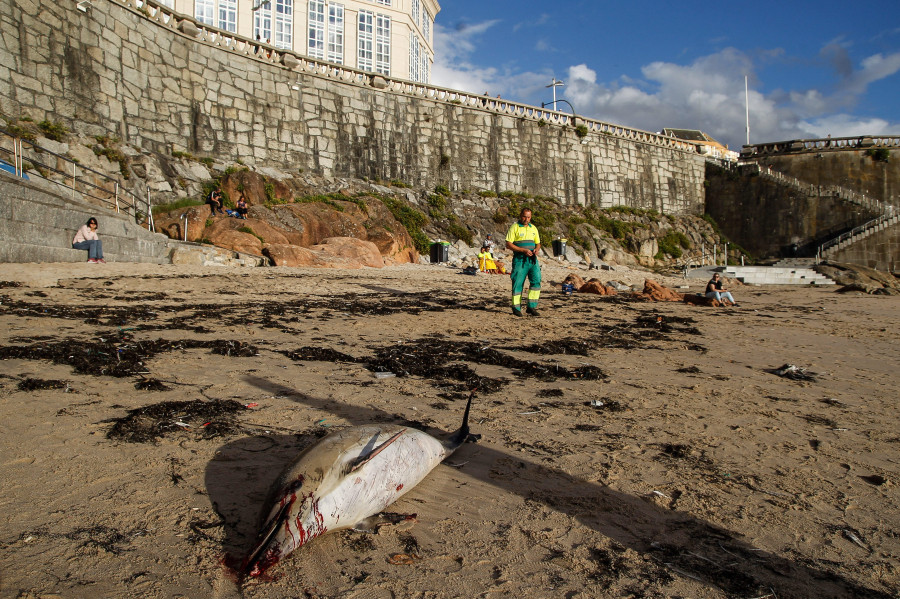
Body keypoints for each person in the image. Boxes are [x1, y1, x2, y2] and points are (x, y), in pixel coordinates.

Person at [505, 208, 541, 316]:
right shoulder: (515, 227)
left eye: (529, 217)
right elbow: (508, 244)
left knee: (536, 281)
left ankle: (532, 307)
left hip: (532, 260)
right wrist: (523, 250)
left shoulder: (533, 228)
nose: (526, 219)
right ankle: (516, 308)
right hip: (520, 259)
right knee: (518, 283)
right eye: (525, 216)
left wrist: (537, 249)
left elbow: (538, 243)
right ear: (521, 215)